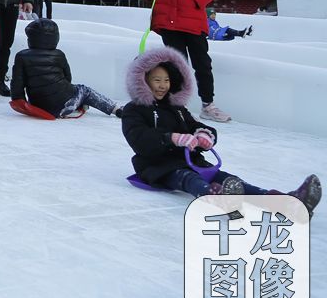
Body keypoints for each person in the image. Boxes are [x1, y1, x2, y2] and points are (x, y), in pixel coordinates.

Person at [121, 47, 320, 215]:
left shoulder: (177, 108)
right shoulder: (134, 110)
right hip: (158, 166)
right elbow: (139, 139)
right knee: (190, 179)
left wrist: (204, 135)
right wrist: (171, 138)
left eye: (166, 80)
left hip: (190, 161)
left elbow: (194, 125)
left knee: (231, 181)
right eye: (157, 80)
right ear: (143, 81)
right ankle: (218, 198)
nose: (163, 85)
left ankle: (288, 203)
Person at [10, 19, 123, 118]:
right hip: (64, 103)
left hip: (38, 104)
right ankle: (116, 109)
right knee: (84, 90)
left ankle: (78, 104)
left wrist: (20, 101)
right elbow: (68, 77)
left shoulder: (21, 56)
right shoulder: (59, 55)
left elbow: (17, 84)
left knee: (73, 92)